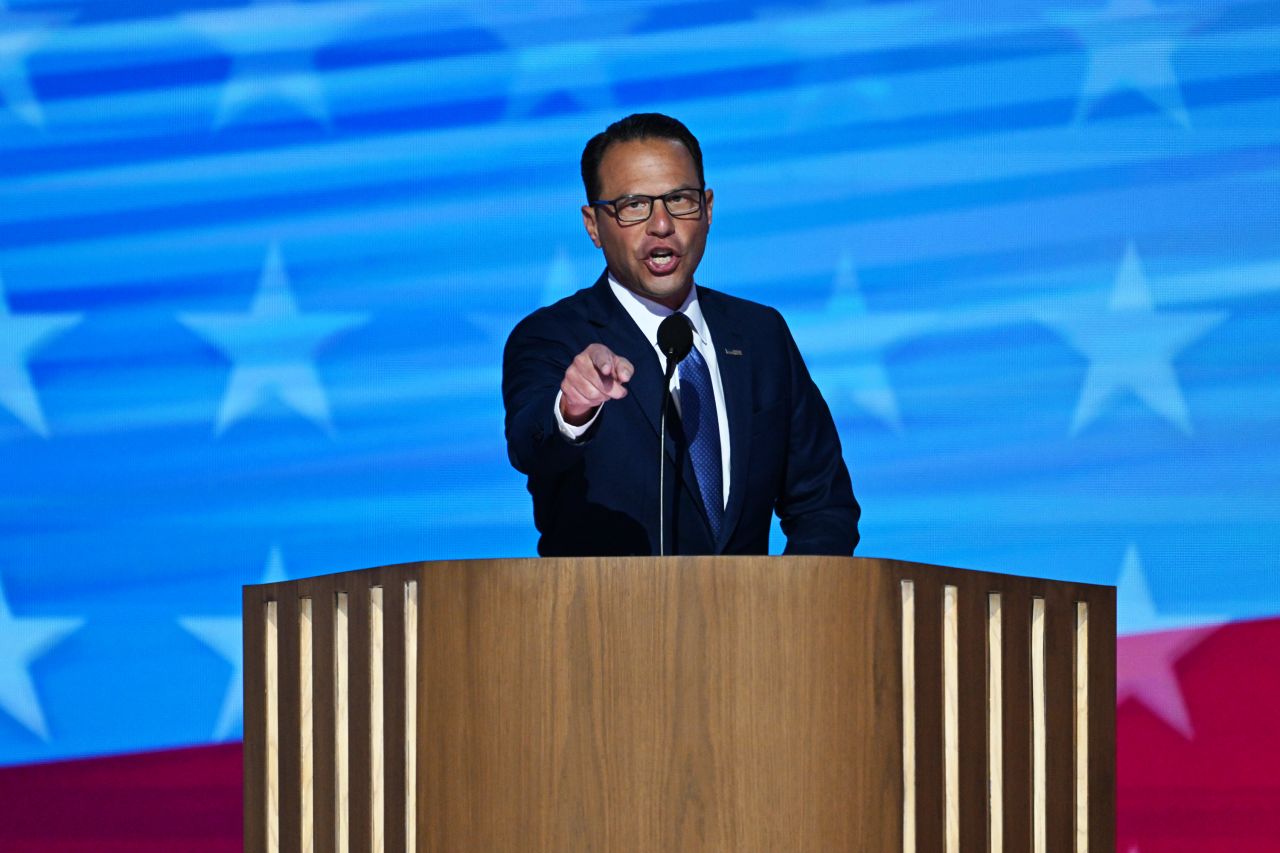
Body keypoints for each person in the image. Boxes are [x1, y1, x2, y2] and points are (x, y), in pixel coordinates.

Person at [503, 113, 859, 556]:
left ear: (707, 209)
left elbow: (823, 507)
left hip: (757, 622)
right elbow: (530, 447)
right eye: (634, 205)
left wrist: (786, 612)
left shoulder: (760, 335)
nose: (661, 225)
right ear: (593, 225)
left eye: (680, 200)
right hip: (607, 620)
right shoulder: (552, 337)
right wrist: (572, 409)